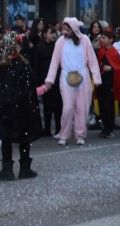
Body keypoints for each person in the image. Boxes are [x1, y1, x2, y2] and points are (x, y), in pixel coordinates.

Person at [0, 34, 40, 181]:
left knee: (6, 138)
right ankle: (25, 168)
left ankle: (7, 169)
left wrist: (0, 105)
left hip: (5, 110)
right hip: (22, 109)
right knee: (24, 138)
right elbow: (30, 89)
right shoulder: (23, 65)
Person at [42, 17, 102, 147]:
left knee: (83, 108)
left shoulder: (85, 40)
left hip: (83, 76)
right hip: (66, 77)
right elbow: (54, 62)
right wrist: (49, 80)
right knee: (68, 107)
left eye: (67, 29)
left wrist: (96, 78)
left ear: (74, 29)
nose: (64, 31)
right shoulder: (60, 42)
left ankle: (80, 134)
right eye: (63, 29)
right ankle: (64, 135)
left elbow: (92, 60)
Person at [31, 24, 61, 137]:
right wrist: (38, 80)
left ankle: (59, 128)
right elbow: (36, 65)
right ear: (44, 34)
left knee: (58, 105)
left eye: (54, 33)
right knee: (47, 105)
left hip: (57, 79)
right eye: (50, 32)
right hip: (45, 79)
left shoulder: (57, 46)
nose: (53, 35)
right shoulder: (40, 46)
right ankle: (47, 129)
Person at [93, 31, 120, 138]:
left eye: (104, 38)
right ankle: (105, 127)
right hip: (101, 82)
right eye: (101, 38)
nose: (101, 40)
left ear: (111, 40)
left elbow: (119, 68)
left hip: (110, 83)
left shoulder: (114, 52)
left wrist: (112, 68)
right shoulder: (100, 51)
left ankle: (109, 128)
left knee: (108, 106)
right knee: (101, 105)